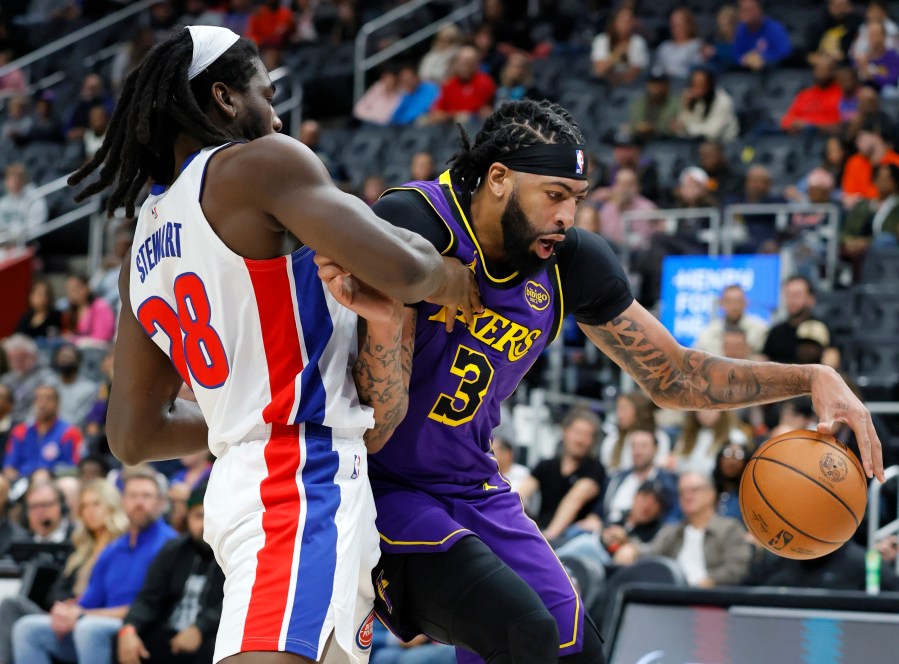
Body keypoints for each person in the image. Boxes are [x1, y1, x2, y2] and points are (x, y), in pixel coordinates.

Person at [364, 97, 883, 664]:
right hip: (374, 479)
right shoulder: (415, 220)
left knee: (575, 650)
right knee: (520, 631)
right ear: (498, 179)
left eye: (578, 200)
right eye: (555, 195)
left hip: (470, 485)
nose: (568, 216)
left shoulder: (571, 262)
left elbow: (674, 375)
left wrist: (810, 377)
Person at [66, 25, 476, 664]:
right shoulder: (262, 164)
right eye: (267, 92)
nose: (277, 112)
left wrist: (245, 415)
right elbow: (401, 271)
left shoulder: (140, 248)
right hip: (299, 478)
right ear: (225, 99)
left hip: (238, 484)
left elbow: (133, 436)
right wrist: (452, 274)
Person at [11, 467, 177, 664]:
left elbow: (150, 606)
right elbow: (89, 599)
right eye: (132, 495)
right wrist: (67, 611)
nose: (139, 503)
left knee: (88, 629)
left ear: (160, 502)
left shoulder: (170, 544)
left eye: (146, 496)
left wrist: (83, 615)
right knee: (27, 629)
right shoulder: (113, 549)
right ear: (123, 500)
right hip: (98, 624)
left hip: (142, 626)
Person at [0, 479, 126, 664]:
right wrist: (65, 605)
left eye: (96, 504)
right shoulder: (80, 547)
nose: (90, 511)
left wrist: (78, 610)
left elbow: (113, 594)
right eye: (85, 506)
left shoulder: (121, 547)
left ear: (112, 505)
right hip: (66, 611)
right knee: (11, 605)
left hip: (93, 616)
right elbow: (56, 592)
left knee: (28, 628)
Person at [117, 484, 225, 664]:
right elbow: (148, 598)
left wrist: (199, 628)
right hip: (168, 634)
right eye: (199, 516)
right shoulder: (173, 550)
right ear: (187, 518)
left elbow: (237, 600)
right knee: (128, 644)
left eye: (212, 516)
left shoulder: (234, 552)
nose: (206, 523)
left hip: (212, 636)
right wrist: (129, 628)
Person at [614, 471, 752, 587]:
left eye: (694, 490)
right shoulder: (673, 530)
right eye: (682, 492)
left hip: (712, 601)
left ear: (711, 494)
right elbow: (653, 552)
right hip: (672, 596)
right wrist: (632, 549)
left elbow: (737, 569)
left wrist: (707, 582)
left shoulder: (730, 528)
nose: (687, 495)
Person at [518, 408, 607, 542]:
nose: (580, 440)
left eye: (587, 435)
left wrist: (549, 537)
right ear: (565, 431)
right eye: (577, 432)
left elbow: (574, 500)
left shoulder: (594, 468)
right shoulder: (546, 465)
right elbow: (521, 493)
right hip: (540, 530)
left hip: (570, 537)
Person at [3, 385, 83, 482]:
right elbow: (9, 466)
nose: (42, 404)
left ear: (57, 403)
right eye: (38, 399)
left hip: (55, 483)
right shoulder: (20, 431)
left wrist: (50, 474)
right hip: (21, 481)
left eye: (48, 399)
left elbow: (74, 468)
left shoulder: (70, 432)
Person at [762, 276, 829, 364]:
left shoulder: (822, 328)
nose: (792, 300)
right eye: (788, 295)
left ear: (811, 299)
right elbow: (764, 360)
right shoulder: (776, 333)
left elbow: (832, 358)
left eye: (797, 295)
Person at [693, 284, 769, 356]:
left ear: (746, 303)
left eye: (738, 301)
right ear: (722, 303)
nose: (734, 306)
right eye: (729, 301)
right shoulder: (708, 333)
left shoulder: (761, 330)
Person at [780, 56, 843, 134]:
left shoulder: (842, 95)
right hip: (801, 139)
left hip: (826, 139)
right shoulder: (804, 95)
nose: (820, 74)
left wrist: (811, 126)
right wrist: (793, 124)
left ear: (833, 72)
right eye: (818, 69)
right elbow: (786, 121)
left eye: (824, 70)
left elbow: (840, 127)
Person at [675, 68, 739, 142]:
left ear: (709, 85)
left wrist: (686, 128)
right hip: (695, 145)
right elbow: (680, 132)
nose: (697, 89)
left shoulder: (723, 101)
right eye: (694, 84)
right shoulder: (692, 99)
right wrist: (686, 109)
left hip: (723, 145)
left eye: (701, 85)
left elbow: (711, 134)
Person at [591, 6, 649, 85]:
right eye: (623, 20)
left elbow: (636, 73)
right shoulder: (602, 40)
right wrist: (617, 55)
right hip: (603, 84)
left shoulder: (638, 42)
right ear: (615, 21)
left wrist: (617, 78)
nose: (626, 24)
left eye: (629, 21)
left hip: (630, 86)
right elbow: (599, 70)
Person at [733, 0, 792, 71]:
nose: (745, 14)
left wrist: (763, 58)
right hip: (747, 73)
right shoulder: (741, 29)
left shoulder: (774, 28)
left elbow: (785, 52)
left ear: (759, 10)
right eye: (743, 10)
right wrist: (746, 59)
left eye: (749, 10)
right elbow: (737, 54)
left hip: (773, 71)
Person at [629, 71, 680, 142]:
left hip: (666, 142)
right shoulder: (639, 103)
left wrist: (652, 128)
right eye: (652, 83)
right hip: (640, 141)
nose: (655, 87)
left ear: (666, 85)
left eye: (659, 83)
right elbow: (633, 123)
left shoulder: (676, 103)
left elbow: (674, 126)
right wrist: (638, 127)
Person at [655, 8, 704, 79]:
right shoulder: (664, 46)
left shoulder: (697, 45)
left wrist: (673, 73)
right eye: (673, 25)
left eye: (679, 25)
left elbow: (697, 72)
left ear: (689, 25)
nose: (676, 29)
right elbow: (657, 69)